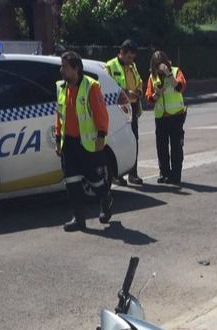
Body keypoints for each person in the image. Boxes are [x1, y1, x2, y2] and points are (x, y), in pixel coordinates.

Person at [55, 51, 113, 232]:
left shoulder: (90, 86)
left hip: (87, 144)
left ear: (76, 69)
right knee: (72, 183)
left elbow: (101, 113)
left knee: (95, 181)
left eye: (64, 67)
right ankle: (79, 219)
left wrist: (102, 135)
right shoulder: (61, 88)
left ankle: (106, 200)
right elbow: (60, 115)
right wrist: (58, 138)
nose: (61, 70)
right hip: (69, 143)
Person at [104, 40, 144, 186]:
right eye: (129, 57)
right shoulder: (110, 66)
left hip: (132, 108)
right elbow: (109, 87)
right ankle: (117, 174)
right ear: (121, 52)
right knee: (118, 142)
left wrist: (138, 92)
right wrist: (128, 93)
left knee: (133, 140)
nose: (131, 60)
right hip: (117, 110)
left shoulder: (132, 66)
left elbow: (139, 81)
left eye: (133, 58)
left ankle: (133, 174)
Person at [145, 50, 187, 186]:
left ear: (166, 62)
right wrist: (156, 95)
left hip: (176, 116)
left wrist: (169, 75)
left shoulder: (175, 71)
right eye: (156, 65)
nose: (159, 67)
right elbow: (148, 98)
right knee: (161, 147)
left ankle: (176, 175)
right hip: (161, 117)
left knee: (176, 147)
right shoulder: (152, 77)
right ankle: (164, 173)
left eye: (161, 64)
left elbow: (181, 87)